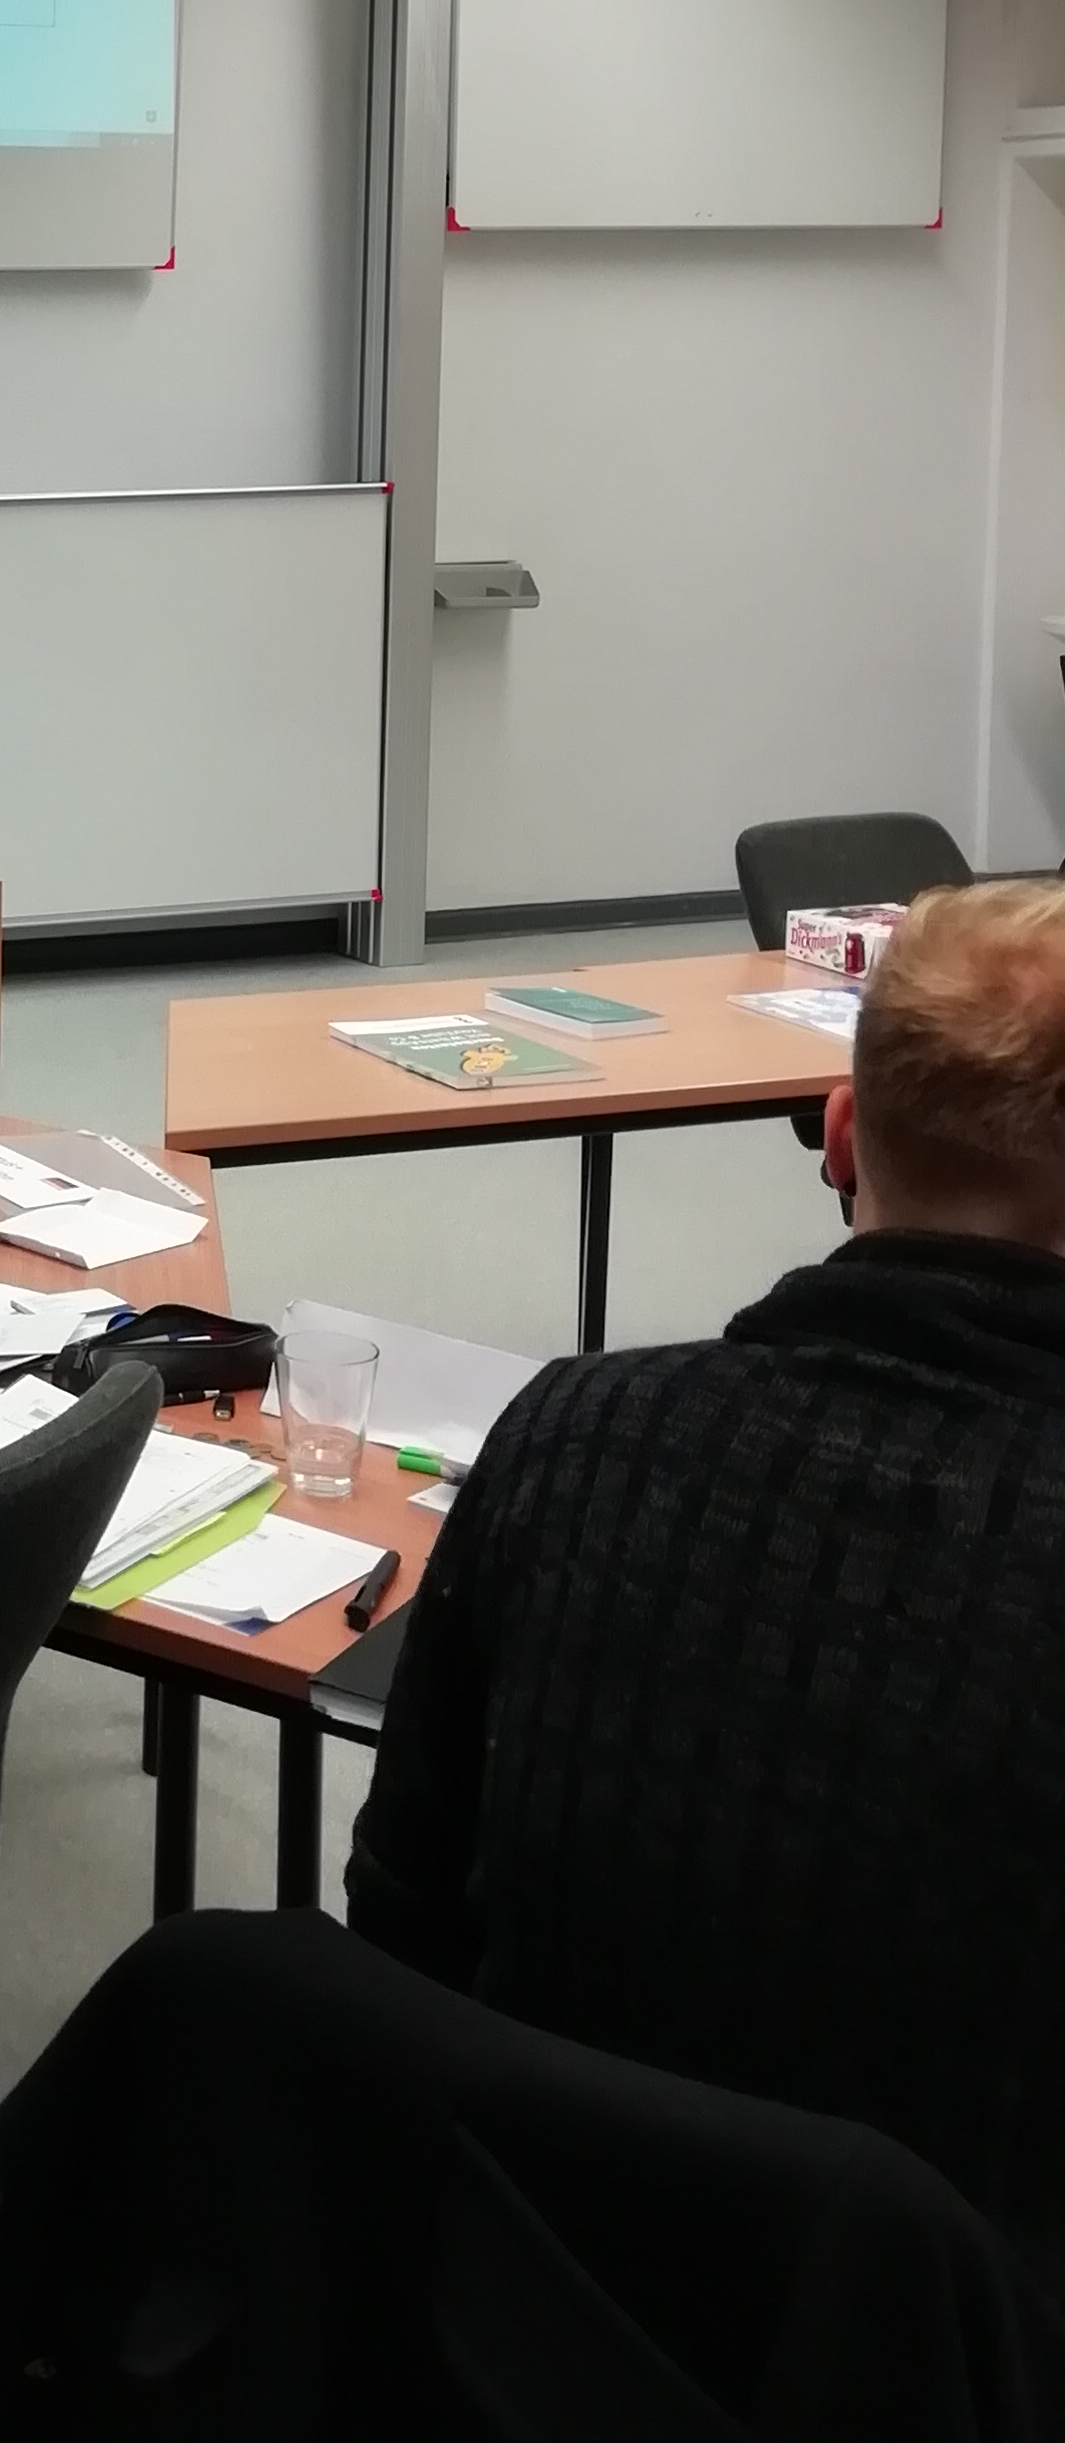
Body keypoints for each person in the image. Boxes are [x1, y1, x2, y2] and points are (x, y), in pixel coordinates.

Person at [348, 871, 1065, 2290]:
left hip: (523, 2322)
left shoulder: (570, 1434)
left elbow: (399, 1930)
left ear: (840, 1134)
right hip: (953, 2400)